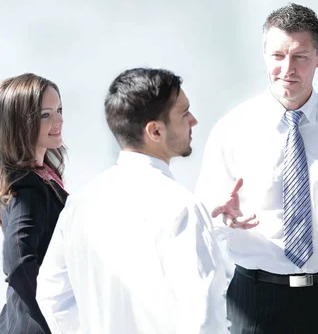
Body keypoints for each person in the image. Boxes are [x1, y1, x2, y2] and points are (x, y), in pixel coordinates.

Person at [195, 3, 318, 333]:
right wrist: (221, 219)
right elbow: (203, 220)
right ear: (264, 55)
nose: (287, 68)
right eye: (277, 56)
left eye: (300, 56)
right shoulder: (232, 129)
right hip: (255, 299)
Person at [36, 68, 228, 333]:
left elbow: (51, 293)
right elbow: (205, 319)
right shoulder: (180, 207)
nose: (193, 120)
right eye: (184, 113)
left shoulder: (80, 203)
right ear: (155, 131)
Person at [0, 73, 67, 334]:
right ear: (19, 123)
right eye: (46, 115)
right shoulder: (26, 184)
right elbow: (19, 262)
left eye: (59, 110)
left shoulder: (39, 175)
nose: (59, 120)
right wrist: (52, 317)